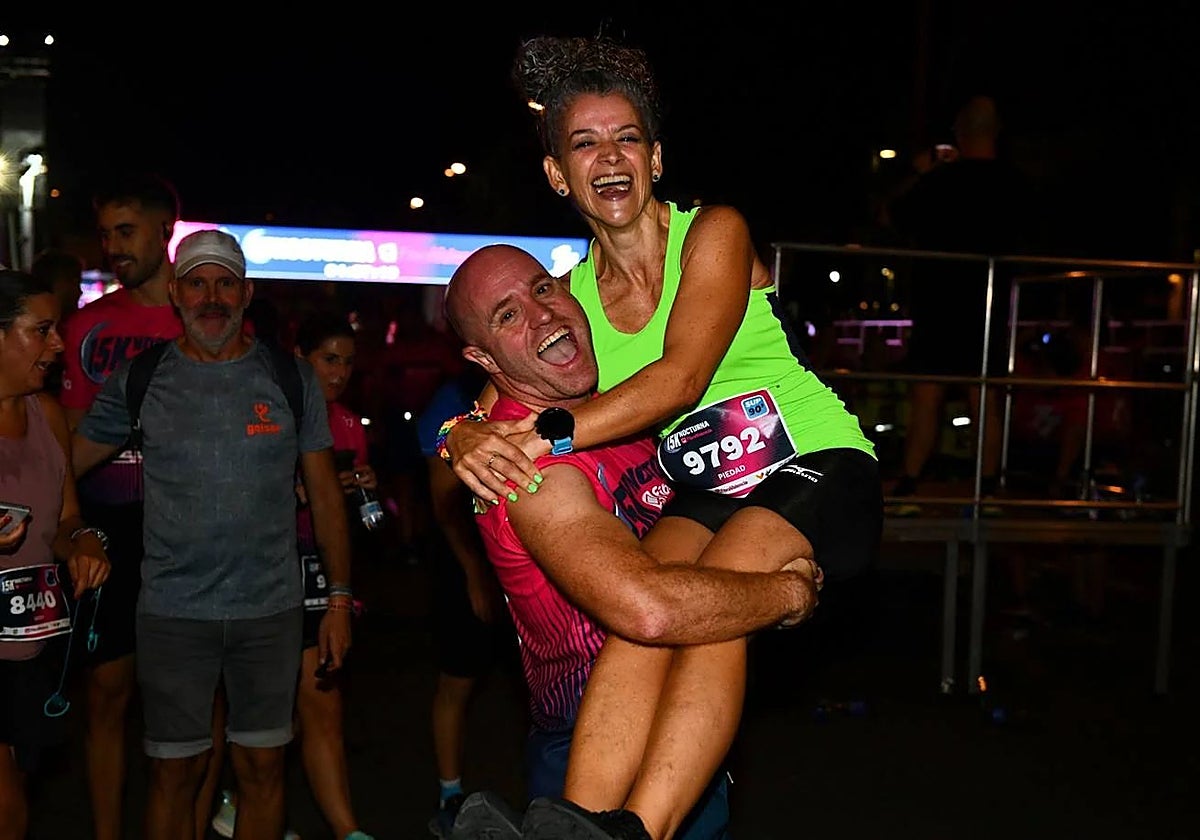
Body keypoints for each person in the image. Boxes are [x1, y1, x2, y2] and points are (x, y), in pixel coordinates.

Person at [444, 35, 881, 839]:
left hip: (812, 461)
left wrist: (546, 438)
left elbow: (680, 379)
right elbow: (488, 405)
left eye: (627, 139)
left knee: (722, 601)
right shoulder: (567, 297)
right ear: (557, 175)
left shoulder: (712, 233)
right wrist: (460, 436)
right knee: (644, 613)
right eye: (584, 144)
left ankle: (635, 829)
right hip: (709, 486)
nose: (609, 158)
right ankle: (571, 822)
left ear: (655, 159)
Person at [441, 244, 821, 840]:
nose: (540, 314)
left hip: (680, 712)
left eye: (543, 289)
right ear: (482, 357)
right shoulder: (525, 469)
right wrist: (786, 596)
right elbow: (646, 609)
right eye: (507, 316)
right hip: (593, 740)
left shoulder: (608, 406)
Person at [71, 229, 355, 840]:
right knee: (174, 775)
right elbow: (68, 463)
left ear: (247, 293)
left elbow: (325, 494)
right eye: (197, 283)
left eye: (226, 283)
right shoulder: (141, 379)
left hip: (270, 613)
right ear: (175, 294)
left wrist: (337, 598)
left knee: (261, 767)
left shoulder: (290, 377)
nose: (212, 298)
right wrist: (70, 528)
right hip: (173, 616)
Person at [57, 171, 187, 840]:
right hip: (110, 528)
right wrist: (71, 527)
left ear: (166, 230)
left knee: (193, 702)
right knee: (106, 694)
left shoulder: (204, 316)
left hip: (190, 532)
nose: (112, 246)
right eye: (105, 234)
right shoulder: (85, 325)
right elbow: (69, 446)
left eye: (126, 231)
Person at [1, 268, 110, 840]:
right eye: (41, 330)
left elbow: (67, 517)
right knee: (8, 808)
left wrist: (84, 542)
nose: (59, 344)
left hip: (33, 645)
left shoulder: (46, 415)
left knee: (22, 786)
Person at [886, 94, 1033, 509]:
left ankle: (911, 481)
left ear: (959, 134)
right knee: (983, 392)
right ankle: (987, 484)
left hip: (939, 299)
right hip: (990, 299)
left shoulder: (938, 183)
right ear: (997, 133)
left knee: (928, 394)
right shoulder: (1015, 183)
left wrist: (918, 174)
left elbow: (893, 217)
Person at [417, 364, 513, 838]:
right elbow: (445, 505)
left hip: (518, 559)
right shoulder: (451, 401)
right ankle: (449, 791)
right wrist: (475, 573)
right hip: (466, 559)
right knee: (457, 679)